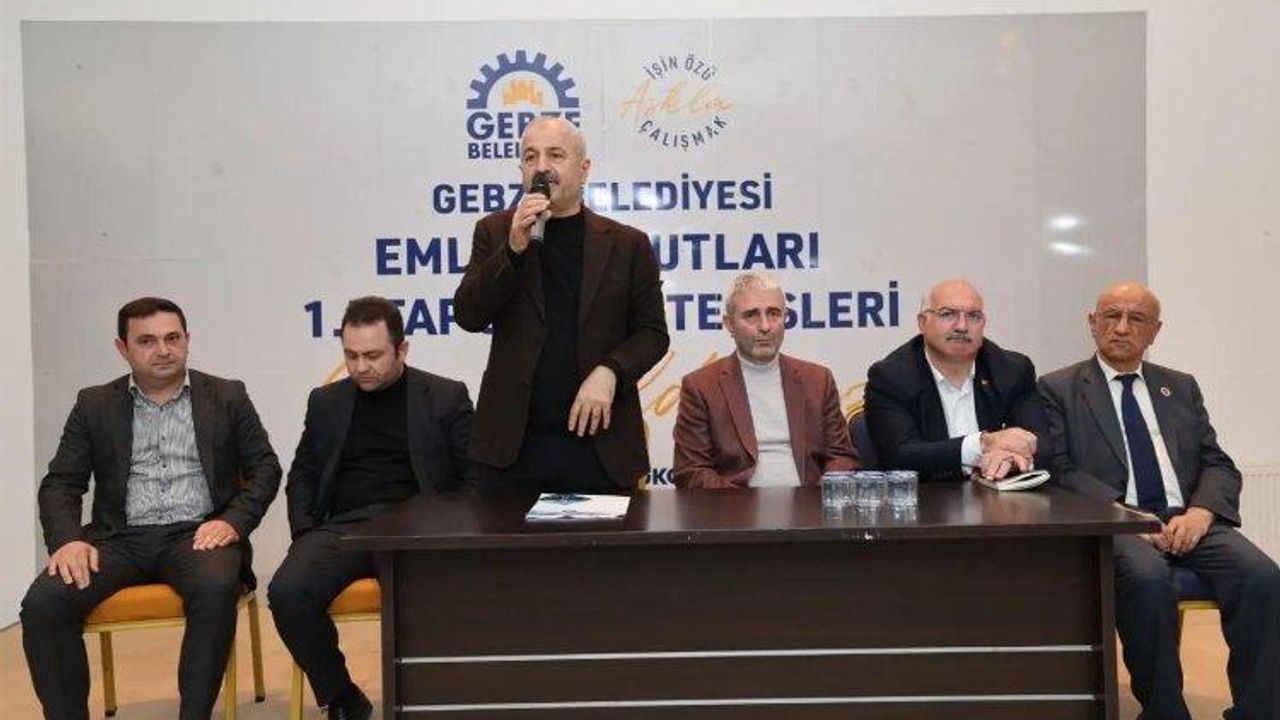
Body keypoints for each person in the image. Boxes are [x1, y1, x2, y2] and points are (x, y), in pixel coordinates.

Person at [21, 297, 281, 720]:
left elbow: (265, 468)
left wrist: (233, 522)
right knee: (45, 603)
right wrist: (67, 541)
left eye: (172, 338)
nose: (163, 350)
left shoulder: (227, 395)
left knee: (215, 589)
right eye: (147, 341)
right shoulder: (94, 404)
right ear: (122, 348)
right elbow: (61, 483)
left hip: (197, 535)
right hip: (117, 540)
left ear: (187, 340)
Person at [1039, 281, 1279, 720]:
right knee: (1148, 580)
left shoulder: (1179, 387)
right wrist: (1128, 517)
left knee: (1263, 577)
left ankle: (1259, 712)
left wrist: (1201, 513)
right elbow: (1061, 471)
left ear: (1156, 331)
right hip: (1118, 520)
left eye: (1137, 319)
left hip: (1188, 519)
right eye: (1111, 316)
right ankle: (1165, 712)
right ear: (1092, 323)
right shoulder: (1058, 388)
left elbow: (1217, 463)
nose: (1121, 328)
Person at [269, 297, 474, 720]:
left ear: (402, 349)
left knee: (434, 596)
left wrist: (448, 531)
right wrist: (305, 533)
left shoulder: (445, 396)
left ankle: (433, 699)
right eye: (351, 355)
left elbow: (471, 478)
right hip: (345, 529)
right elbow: (303, 473)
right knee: (287, 592)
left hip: (418, 529)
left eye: (373, 355)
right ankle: (341, 697)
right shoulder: (325, 402)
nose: (360, 366)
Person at [454, 116, 668, 494]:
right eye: (530, 157)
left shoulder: (627, 244)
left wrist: (610, 371)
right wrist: (513, 250)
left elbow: (652, 334)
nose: (542, 167)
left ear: (584, 169)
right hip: (513, 448)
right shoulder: (495, 232)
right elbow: (468, 315)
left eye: (555, 155)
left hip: (600, 444)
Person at [672, 271, 857, 488]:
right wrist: (745, 504)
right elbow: (692, 472)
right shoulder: (701, 386)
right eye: (751, 315)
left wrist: (815, 498)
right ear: (729, 324)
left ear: (785, 318)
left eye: (773, 314)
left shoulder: (818, 380)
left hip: (808, 503)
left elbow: (841, 457)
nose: (765, 326)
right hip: (735, 505)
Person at [864, 279, 1048, 481]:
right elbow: (900, 457)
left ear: (983, 323)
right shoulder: (892, 377)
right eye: (948, 314)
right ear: (923, 323)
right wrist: (983, 445)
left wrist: (1011, 460)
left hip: (1000, 495)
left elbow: (1042, 445)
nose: (962, 326)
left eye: (973, 316)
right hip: (928, 495)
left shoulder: (1012, 370)